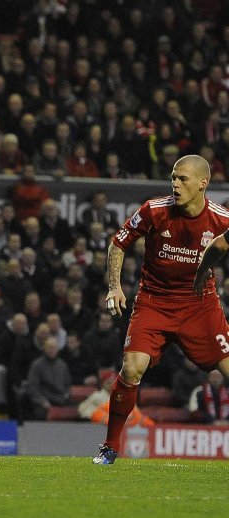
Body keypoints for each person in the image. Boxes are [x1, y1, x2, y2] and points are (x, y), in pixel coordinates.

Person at [95, 155, 229, 465]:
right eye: (173, 177)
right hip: (154, 302)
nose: (175, 184)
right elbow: (119, 242)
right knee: (131, 368)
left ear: (202, 184)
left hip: (200, 306)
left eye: (183, 179)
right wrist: (114, 286)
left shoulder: (221, 219)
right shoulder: (154, 211)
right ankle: (110, 446)